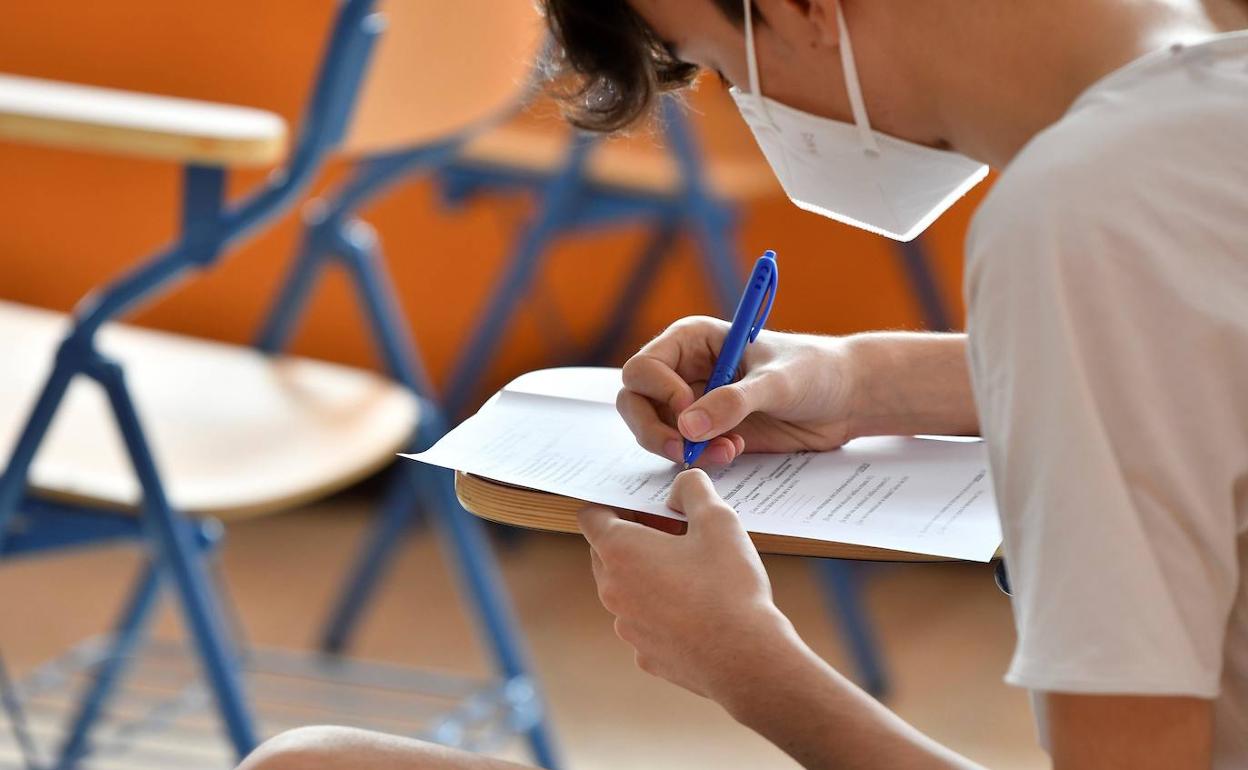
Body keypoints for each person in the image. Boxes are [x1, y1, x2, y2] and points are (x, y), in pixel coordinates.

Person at [239, 0, 1248, 767]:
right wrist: (859, 377)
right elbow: (1198, 367)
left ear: (804, 7)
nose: (762, 113)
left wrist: (748, 664)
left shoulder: (1087, 210)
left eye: (725, 67)